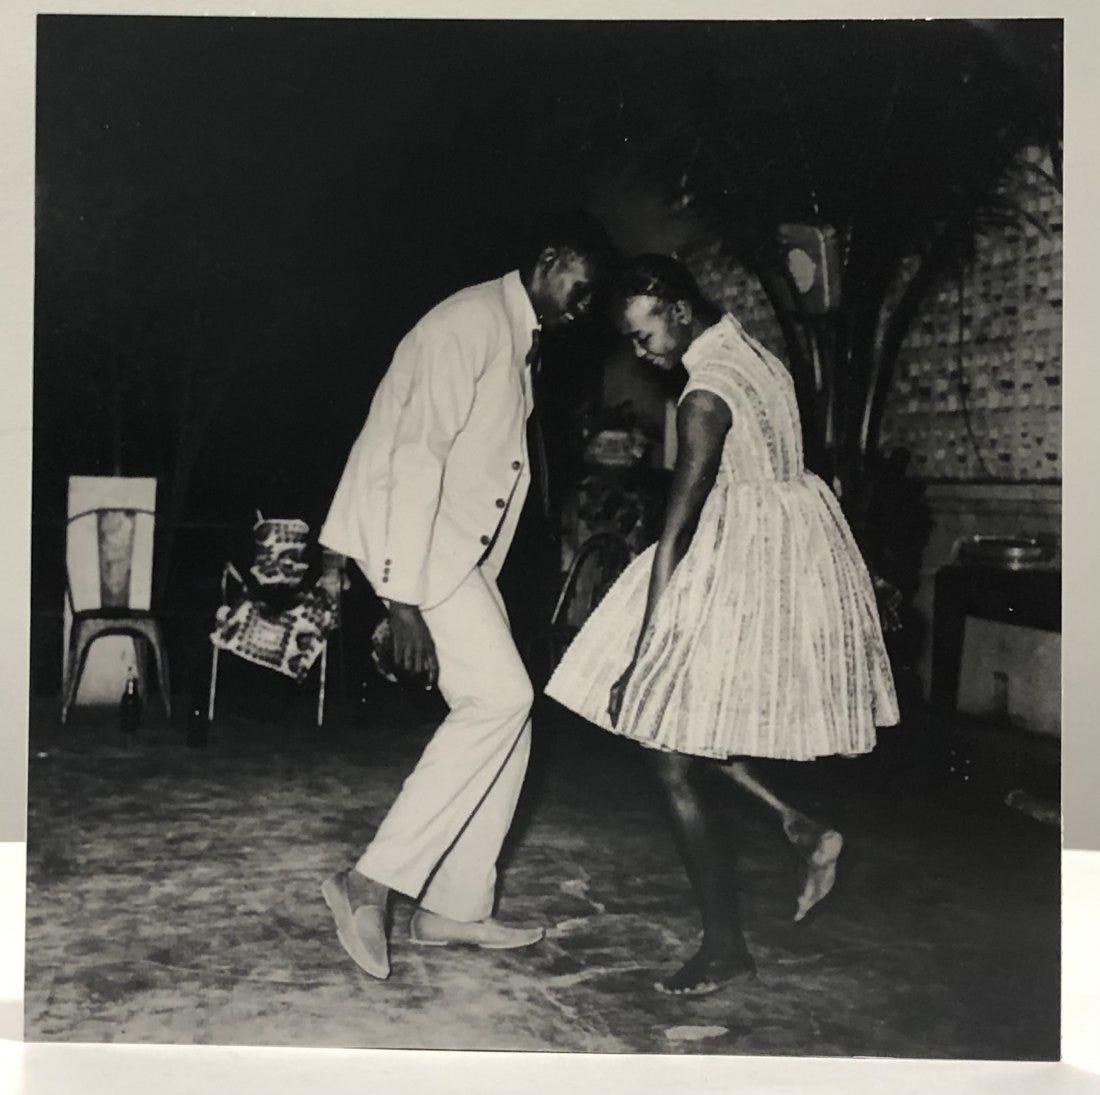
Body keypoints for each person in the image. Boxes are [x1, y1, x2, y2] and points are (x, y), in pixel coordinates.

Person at [545, 254, 899, 996]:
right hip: (788, 552)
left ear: (677, 308)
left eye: (647, 337)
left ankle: (726, 944)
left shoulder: (703, 396)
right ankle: (795, 824)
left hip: (737, 566)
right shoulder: (753, 349)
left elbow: (674, 533)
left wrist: (642, 653)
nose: (645, 354)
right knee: (682, 734)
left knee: (664, 746)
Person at [317, 210, 614, 980]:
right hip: (427, 557)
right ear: (549, 260)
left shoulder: (510, 334)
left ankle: (455, 906)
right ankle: (369, 880)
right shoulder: (471, 322)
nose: (584, 308)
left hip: (456, 557)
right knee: (503, 700)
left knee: (509, 717)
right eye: (581, 288)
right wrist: (400, 598)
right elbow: (409, 456)